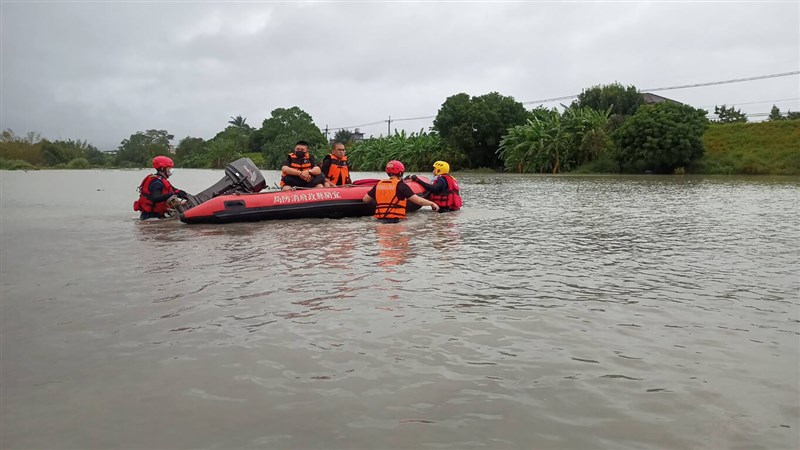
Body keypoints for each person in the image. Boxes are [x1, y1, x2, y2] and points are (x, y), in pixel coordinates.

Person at [363, 160, 439, 222]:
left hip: (379, 221)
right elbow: (419, 201)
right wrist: (431, 204)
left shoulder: (378, 185)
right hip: (395, 221)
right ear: (400, 172)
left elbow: (365, 199)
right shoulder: (401, 186)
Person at [134, 155, 191, 220]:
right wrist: (171, 194)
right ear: (162, 168)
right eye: (169, 168)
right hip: (150, 217)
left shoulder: (161, 180)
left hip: (158, 215)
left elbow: (175, 190)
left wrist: (186, 196)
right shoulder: (156, 183)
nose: (171, 170)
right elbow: (155, 198)